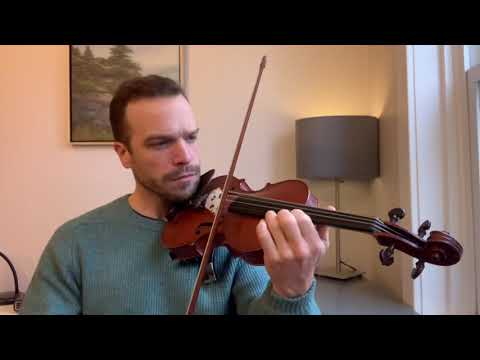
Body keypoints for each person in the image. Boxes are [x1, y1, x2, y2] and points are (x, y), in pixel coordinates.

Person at [20, 75, 334, 315]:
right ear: (124, 153)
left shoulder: (234, 237)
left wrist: (293, 291)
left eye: (191, 137)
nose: (186, 156)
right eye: (161, 143)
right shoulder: (75, 243)